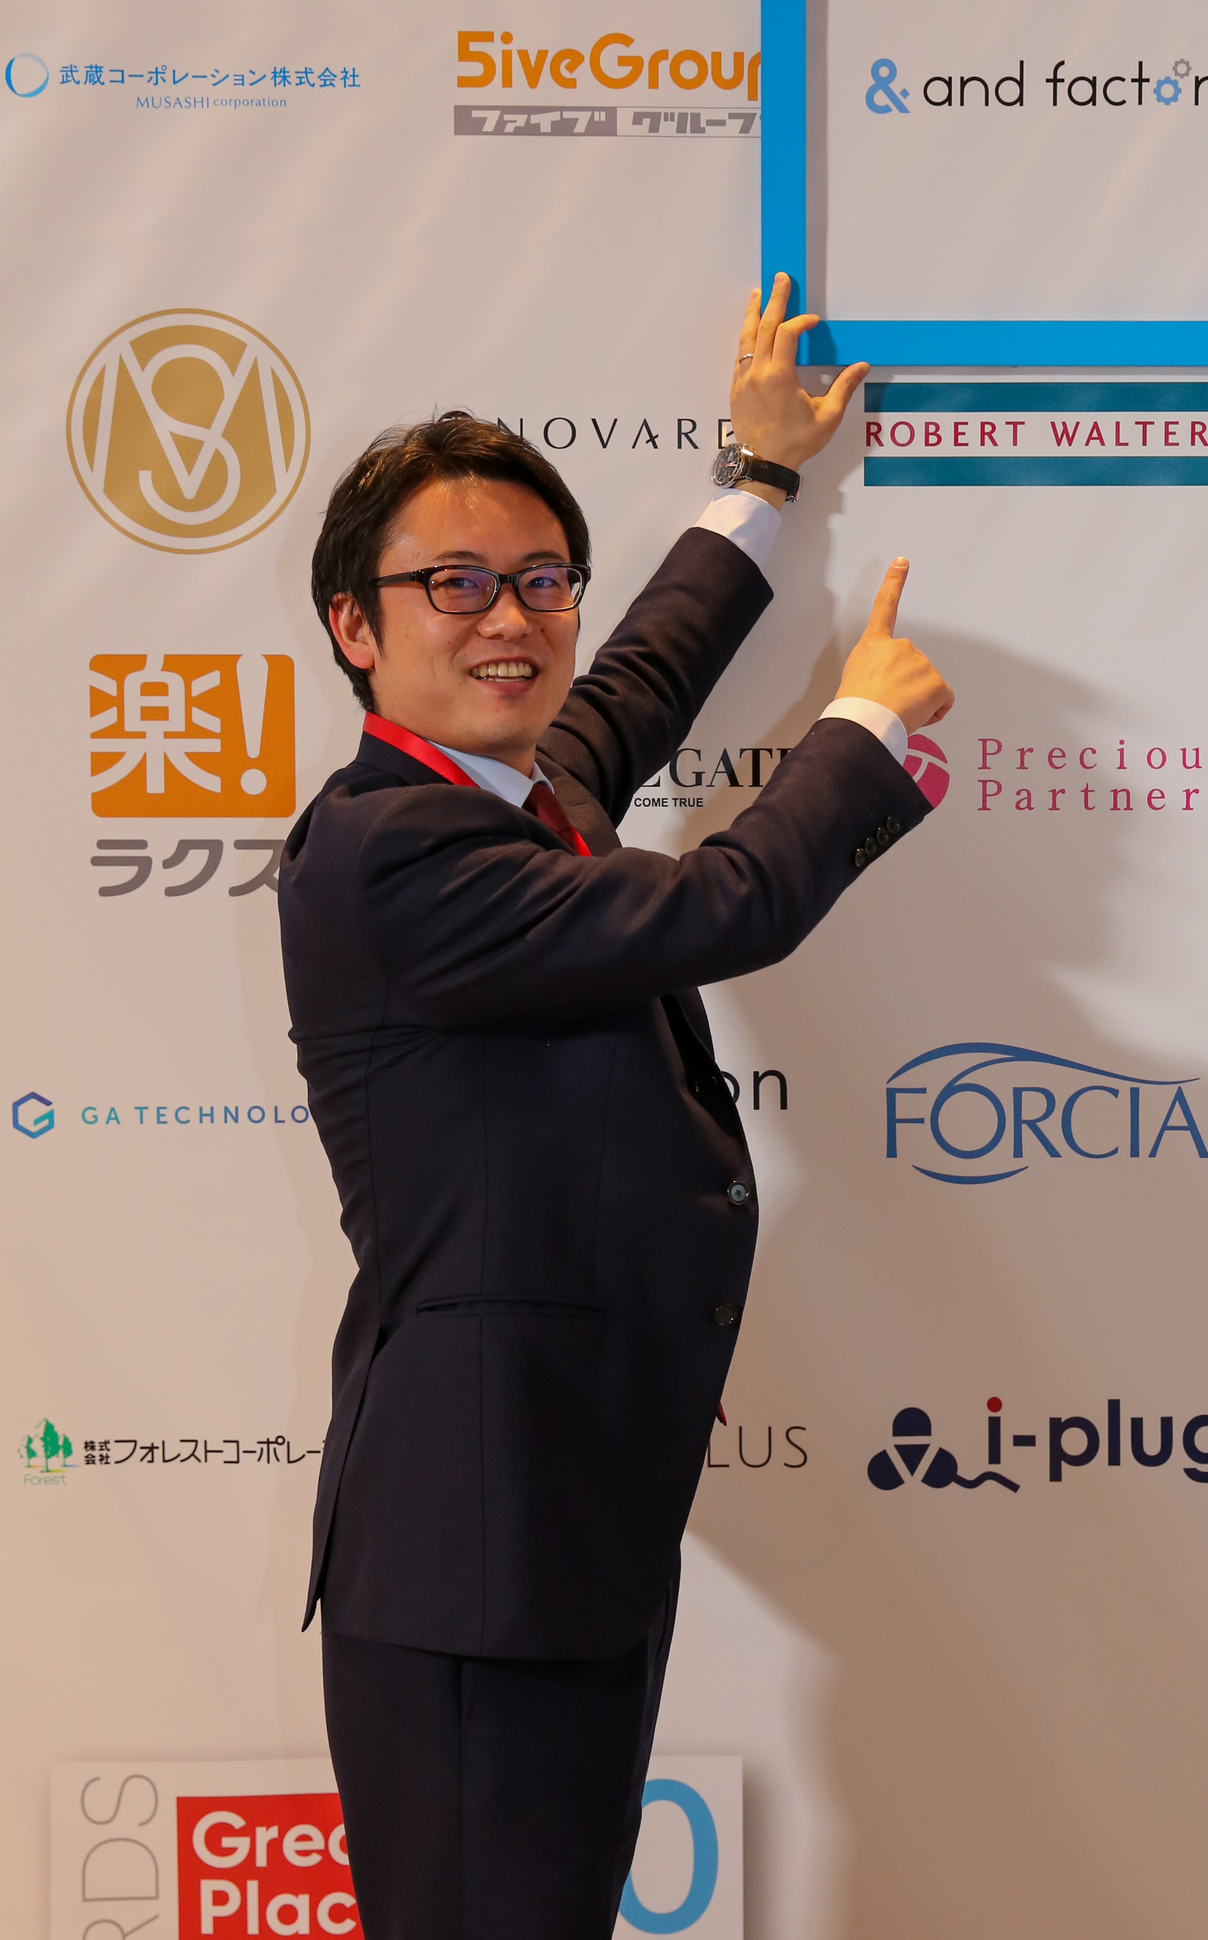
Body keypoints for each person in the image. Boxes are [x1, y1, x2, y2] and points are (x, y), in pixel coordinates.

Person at [278, 275, 953, 1940]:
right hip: (477, 1549)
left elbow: (639, 682)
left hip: (556, 1522)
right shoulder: (386, 851)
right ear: (357, 627)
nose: (508, 619)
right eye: (453, 584)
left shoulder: (512, 796)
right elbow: (721, 904)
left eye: (539, 581)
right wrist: (865, 724)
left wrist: (761, 476)